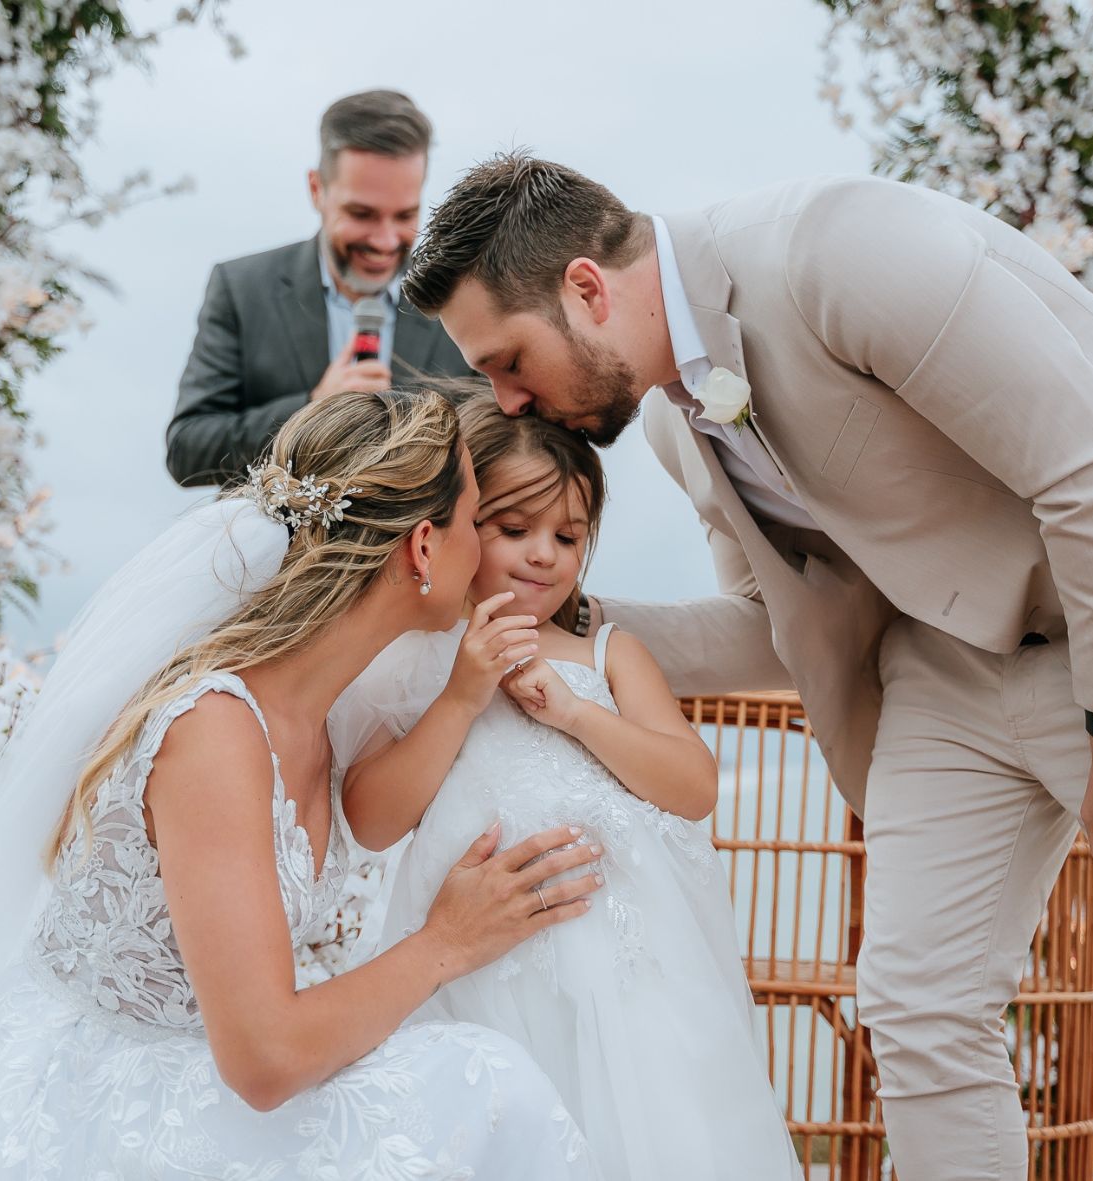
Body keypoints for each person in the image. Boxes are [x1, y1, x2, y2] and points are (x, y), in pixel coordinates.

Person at [403, 152, 1093, 1181]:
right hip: (954, 660)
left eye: (506, 359)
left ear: (584, 288)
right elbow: (772, 627)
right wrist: (551, 623)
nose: (507, 400)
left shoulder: (837, 249)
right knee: (918, 1008)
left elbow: (1092, 468)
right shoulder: (676, 425)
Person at [0, 389, 604, 1179]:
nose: (489, 553)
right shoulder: (215, 732)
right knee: (485, 1081)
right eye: (471, 519)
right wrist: (447, 941)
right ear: (423, 548)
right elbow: (267, 1057)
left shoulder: (334, 706)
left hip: (201, 1063)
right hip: (107, 1106)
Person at [331, 391, 800, 1180]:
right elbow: (373, 820)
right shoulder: (415, 658)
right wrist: (461, 694)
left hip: (631, 978)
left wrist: (577, 715)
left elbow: (691, 785)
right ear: (450, 526)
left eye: (568, 535)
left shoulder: (611, 653)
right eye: (514, 530)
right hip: (484, 976)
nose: (544, 553)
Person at [165, 90, 475, 487]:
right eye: (362, 214)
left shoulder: (458, 296)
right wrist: (312, 409)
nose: (385, 240)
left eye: (405, 215)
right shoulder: (241, 290)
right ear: (317, 190)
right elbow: (187, 451)